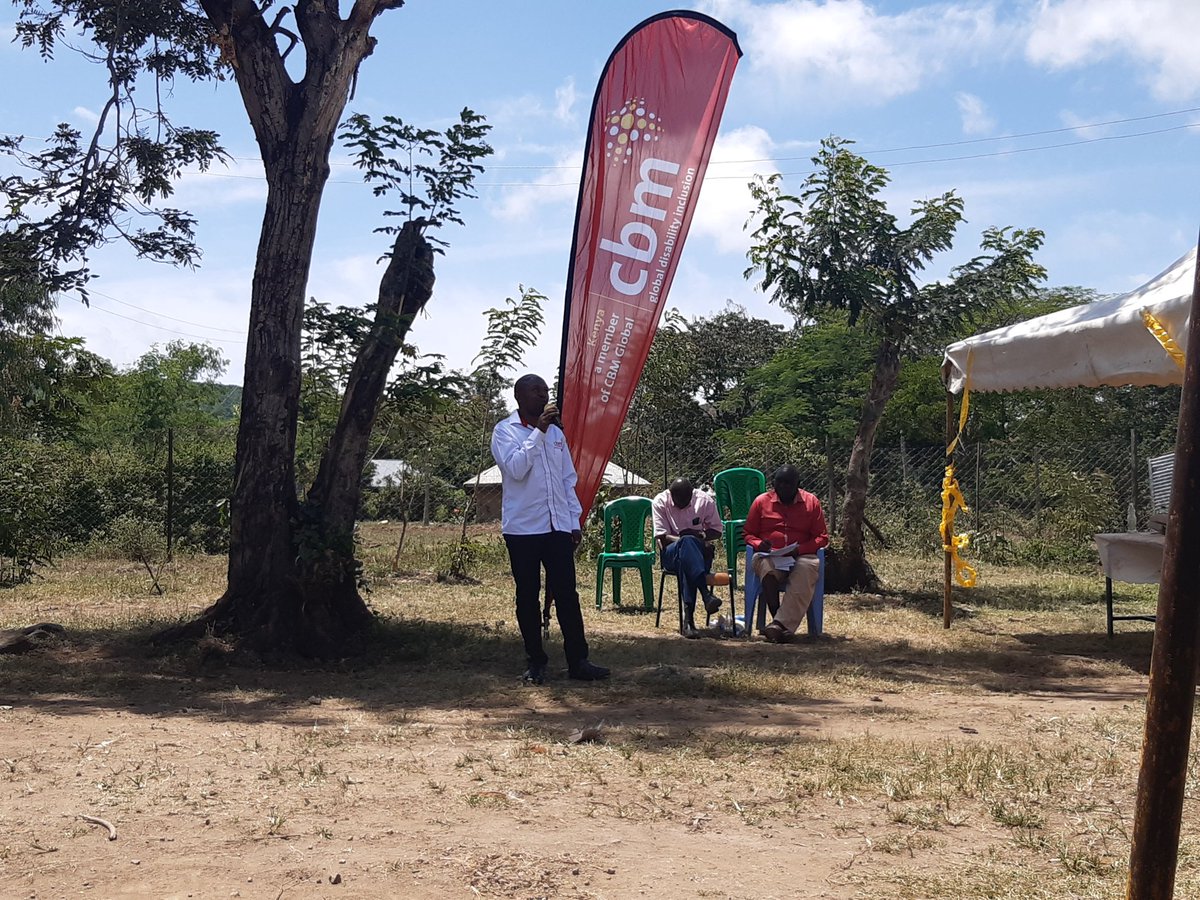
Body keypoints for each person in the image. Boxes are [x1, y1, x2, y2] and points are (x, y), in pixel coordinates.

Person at [491, 374, 610, 684]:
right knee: (528, 595)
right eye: (536, 391)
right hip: (523, 529)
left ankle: (578, 661)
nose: (543, 396)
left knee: (567, 594)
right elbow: (516, 469)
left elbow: (567, 480)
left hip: (557, 527)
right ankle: (536, 661)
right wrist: (539, 432)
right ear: (519, 397)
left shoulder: (557, 434)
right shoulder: (505, 431)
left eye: (545, 391)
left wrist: (573, 522)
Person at [743, 464, 829, 643]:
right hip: (770, 555)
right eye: (778, 482)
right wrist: (759, 544)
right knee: (766, 567)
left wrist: (800, 549)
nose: (782, 486)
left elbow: (822, 538)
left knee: (807, 567)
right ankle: (780, 622)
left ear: (798, 484)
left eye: (787, 483)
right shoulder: (761, 502)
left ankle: (778, 625)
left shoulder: (811, 502)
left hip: (801, 555)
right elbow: (748, 534)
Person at [651, 477, 724, 638]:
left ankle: (688, 623)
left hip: (698, 555)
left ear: (692, 493)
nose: (683, 503)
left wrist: (702, 536)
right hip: (671, 553)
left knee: (686, 561)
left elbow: (717, 531)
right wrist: (688, 540)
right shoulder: (660, 502)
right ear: (671, 494)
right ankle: (705, 595)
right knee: (687, 545)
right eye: (679, 499)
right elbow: (662, 538)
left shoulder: (704, 500)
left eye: (686, 499)